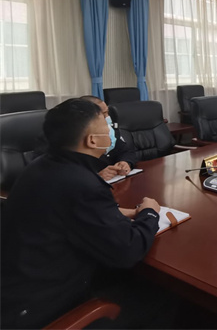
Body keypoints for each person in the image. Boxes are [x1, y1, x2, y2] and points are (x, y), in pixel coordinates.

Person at [1, 99, 160, 329]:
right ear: (92, 140)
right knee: (160, 300)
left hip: (17, 288)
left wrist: (125, 213)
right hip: (43, 309)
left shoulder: (43, 167)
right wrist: (150, 213)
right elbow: (128, 250)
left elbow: (70, 213)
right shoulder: (82, 184)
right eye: (106, 124)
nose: (111, 129)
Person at [80, 95, 138, 181]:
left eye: (107, 112)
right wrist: (96, 176)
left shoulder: (111, 130)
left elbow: (126, 151)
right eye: (103, 114)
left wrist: (125, 162)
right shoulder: (78, 140)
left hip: (117, 181)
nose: (108, 117)